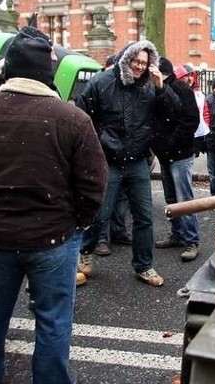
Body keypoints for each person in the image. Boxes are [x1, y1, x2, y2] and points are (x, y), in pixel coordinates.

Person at [0, 26, 108, 384]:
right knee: (52, 323)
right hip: (53, 239)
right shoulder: (72, 119)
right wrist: (76, 223)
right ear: (46, 73)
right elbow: (94, 184)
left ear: (9, 69)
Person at [76, 40, 176, 287]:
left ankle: (144, 266)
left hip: (137, 161)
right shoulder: (102, 82)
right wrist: (100, 142)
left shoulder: (150, 86)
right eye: (136, 62)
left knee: (144, 217)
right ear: (126, 60)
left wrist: (162, 88)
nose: (140, 67)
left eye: (144, 62)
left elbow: (172, 113)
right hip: (108, 161)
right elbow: (82, 116)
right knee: (100, 214)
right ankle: (84, 253)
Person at [152, 57, 202, 261]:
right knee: (172, 198)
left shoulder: (182, 90)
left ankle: (192, 240)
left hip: (179, 154)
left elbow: (190, 120)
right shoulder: (156, 90)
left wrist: (170, 143)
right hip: (166, 153)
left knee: (184, 199)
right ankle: (178, 234)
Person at [96, 52, 132, 255]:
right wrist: (105, 141)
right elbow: (92, 118)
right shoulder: (100, 85)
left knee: (122, 198)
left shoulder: (129, 86)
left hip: (128, 154)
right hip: (108, 154)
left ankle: (119, 232)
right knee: (106, 199)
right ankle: (101, 238)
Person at [175, 64, 210, 156]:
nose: (190, 79)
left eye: (191, 75)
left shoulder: (199, 94)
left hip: (198, 135)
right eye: (186, 76)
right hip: (182, 135)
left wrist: (206, 125)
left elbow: (205, 112)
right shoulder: (175, 93)